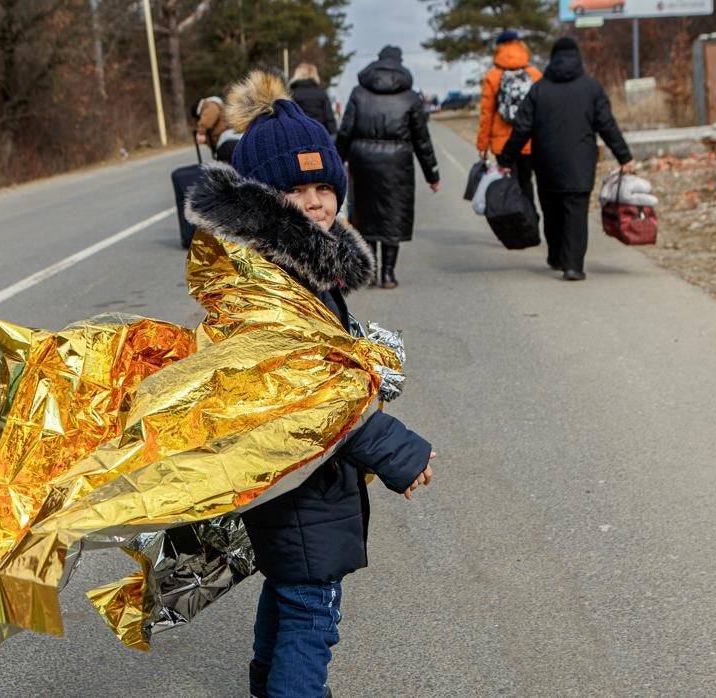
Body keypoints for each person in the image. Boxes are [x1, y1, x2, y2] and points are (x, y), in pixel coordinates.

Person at [187, 69, 435, 698]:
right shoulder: (277, 281)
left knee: (290, 587)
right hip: (304, 475)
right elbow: (313, 392)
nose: (317, 201)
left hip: (295, 472)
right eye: (297, 190)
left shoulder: (290, 261)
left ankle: (267, 683)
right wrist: (397, 452)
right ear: (263, 199)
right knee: (312, 613)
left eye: (325, 185)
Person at [498, 37, 635, 281]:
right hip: (580, 162)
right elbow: (606, 125)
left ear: (553, 59)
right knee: (576, 213)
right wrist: (624, 156)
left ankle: (555, 256)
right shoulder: (591, 87)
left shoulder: (539, 90)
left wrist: (506, 160)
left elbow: (521, 128)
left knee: (551, 210)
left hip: (546, 161)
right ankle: (573, 266)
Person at [336, 45, 440, 289]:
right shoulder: (410, 97)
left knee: (366, 215)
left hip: (362, 162)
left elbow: (345, 131)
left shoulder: (358, 93)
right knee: (393, 215)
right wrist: (432, 174)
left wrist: (335, 163)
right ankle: (389, 275)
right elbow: (421, 139)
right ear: (400, 63)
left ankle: (370, 272)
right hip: (398, 164)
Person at [476, 30, 542, 206]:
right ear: (521, 46)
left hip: (502, 144)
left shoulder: (493, 76)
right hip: (529, 142)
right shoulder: (534, 74)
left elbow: (486, 114)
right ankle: (531, 224)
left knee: (507, 185)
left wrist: (483, 145)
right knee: (526, 183)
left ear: (499, 48)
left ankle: (513, 227)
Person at [289, 63, 337, 135]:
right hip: (319, 134)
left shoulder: (292, 94)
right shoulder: (322, 94)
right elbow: (329, 119)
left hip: (298, 135)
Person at [195, 95, 236, 161]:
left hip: (228, 140)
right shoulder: (214, 104)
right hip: (228, 139)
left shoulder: (211, 104)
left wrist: (200, 132)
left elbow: (209, 118)